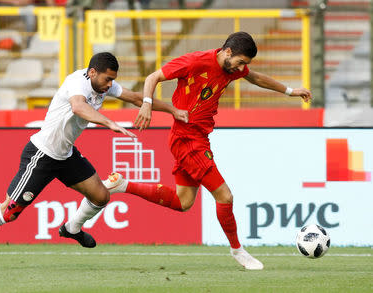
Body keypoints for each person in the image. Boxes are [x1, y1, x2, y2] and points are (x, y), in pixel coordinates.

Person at [0, 52, 188, 271]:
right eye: (107, 79)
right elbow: (79, 107)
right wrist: (109, 122)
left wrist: (172, 110)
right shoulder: (75, 83)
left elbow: (135, 97)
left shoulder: (102, 85)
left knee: (101, 196)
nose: (110, 84)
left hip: (66, 155)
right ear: (92, 72)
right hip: (41, 155)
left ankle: (71, 228)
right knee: (10, 211)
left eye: (113, 79)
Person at [103, 32, 312, 270]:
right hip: (187, 139)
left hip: (196, 137)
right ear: (228, 52)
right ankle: (238, 251)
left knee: (183, 202)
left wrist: (290, 91)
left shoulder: (233, 69)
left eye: (245, 64)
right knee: (225, 196)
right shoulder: (195, 62)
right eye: (240, 62)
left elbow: (255, 78)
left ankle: (121, 184)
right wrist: (148, 105)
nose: (241, 68)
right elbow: (153, 77)